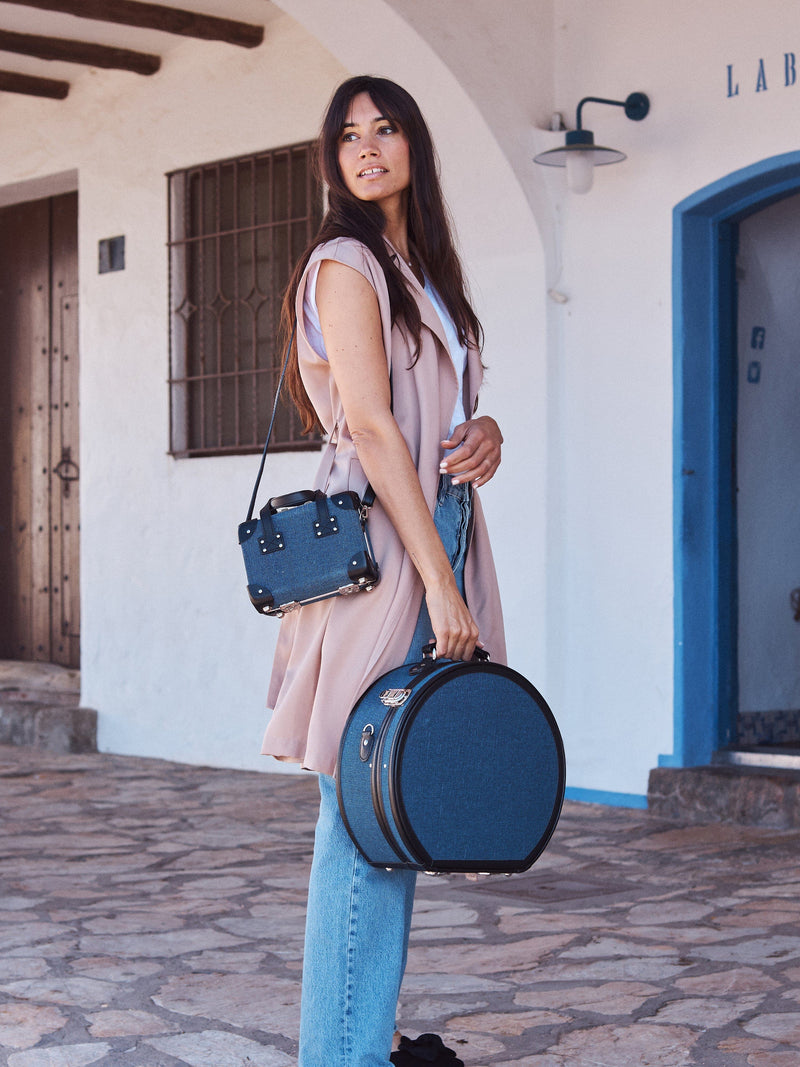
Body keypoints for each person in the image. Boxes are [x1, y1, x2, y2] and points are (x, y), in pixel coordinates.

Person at [261, 75, 507, 1067]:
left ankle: (358, 1036)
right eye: (348, 135)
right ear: (332, 162)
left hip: (440, 528)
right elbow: (367, 424)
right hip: (380, 555)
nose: (367, 147)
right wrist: (436, 584)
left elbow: (437, 413)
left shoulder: (423, 276)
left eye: (385, 128)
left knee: (397, 803)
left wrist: (485, 430)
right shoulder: (343, 264)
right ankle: (344, 1053)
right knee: (363, 810)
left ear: (412, 147)